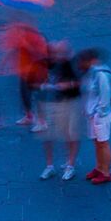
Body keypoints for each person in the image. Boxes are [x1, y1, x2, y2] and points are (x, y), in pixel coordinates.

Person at [37, 42, 81, 180]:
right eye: (53, 53)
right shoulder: (44, 64)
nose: (56, 56)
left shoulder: (70, 64)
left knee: (70, 134)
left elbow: (80, 82)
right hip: (49, 103)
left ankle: (70, 165)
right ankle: (49, 166)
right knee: (47, 136)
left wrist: (67, 85)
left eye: (58, 52)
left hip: (68, 103)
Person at [78, 48, 111, 185]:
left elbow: (105, 96)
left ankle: (106, 172)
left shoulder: (101, 74)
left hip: (100, 116)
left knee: (103, 143)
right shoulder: (91, 72)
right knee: (97, 143)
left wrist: (99, 113)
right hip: (92, 114)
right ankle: (99, 167)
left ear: (92, 60)